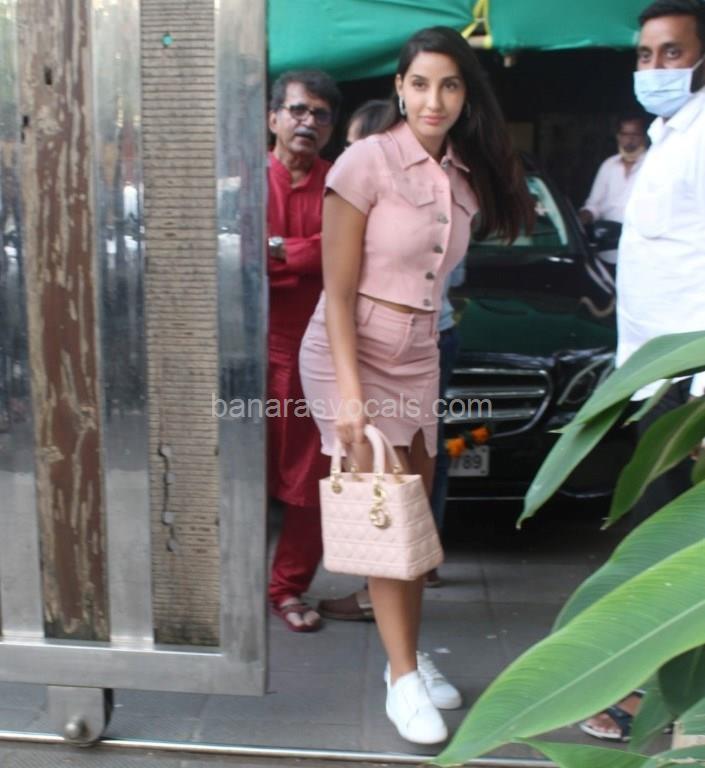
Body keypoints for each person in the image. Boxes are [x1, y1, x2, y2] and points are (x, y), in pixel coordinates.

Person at [299, 27, 533, 744]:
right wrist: (349, 395)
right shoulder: (365, 161)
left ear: (466, 95)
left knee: (415, 515)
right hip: (351, 350)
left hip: (420, 355)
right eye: (422, 83)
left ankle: (404, 657)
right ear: (399, 89)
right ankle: (402, 677)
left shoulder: (462, 174)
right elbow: (337, 293)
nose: (435, 99)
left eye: (450, 85)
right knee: (387, 517)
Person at [581, 0, 705, 742]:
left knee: (663, 545)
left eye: (672, 53)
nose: (654, 68)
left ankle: (650, 695)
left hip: (689, 388)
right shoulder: (667, 136)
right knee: (660, 538)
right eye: (644, 55)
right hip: (653, 377)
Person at [266, 69, 341, 633]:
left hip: (316, 352)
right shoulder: (243, 180)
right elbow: (232, 253)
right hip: (245, 351)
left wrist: (277, 252)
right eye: (297, 110)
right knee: (232, 470)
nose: (307, 122)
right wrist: (304, 254)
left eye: (320, 114)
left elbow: (344, 252)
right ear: (273, 117)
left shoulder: (340, 185)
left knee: (311, 477)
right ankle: (220, 586)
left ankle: (287, 587)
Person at [578, 116, 648, 226]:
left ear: (644, 137)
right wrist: (579, 221)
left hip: (640, 231)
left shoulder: (653, 164)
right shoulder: (608, 165)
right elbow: (594, 205)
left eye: (635, 134)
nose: (630, 139)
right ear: (618, 137)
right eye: (625, 134)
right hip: (609, 230)